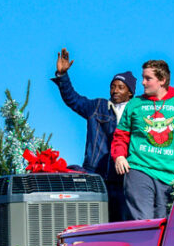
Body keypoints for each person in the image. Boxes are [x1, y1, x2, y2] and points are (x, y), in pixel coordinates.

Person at [111, 59, 174, 221]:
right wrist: (119, 155)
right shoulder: (135, 104)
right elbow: (121, 135)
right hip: (139, 169)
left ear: (162, 80)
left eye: (148, 78)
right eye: (143, 78)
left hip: (169, 176)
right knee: (143, 222)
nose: (143, 82)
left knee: (165, 225)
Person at [50, 47, 135, 221]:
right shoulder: (97, 107)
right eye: (112, 87)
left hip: (124, 180)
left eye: (120, 87)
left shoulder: (137, 114)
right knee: (94, 221)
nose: (115, 91)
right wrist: (63, 76)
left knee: (121, 224)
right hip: (96, 176)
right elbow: (73, 100)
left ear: (130, 93)